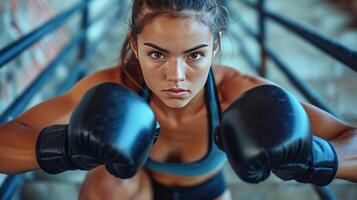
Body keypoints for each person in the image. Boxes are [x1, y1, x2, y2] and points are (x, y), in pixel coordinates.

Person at [0, 0, 356, 199]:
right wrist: (62, 147)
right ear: (135, 46)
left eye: (195, 55)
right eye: (157, 55)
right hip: (133, 189)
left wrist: (316, 157)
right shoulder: (113, 85)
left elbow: (349, 140)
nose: (176, 77)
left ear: (215, 46)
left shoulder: (238, 92)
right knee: (104, 185)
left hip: (206, 192)